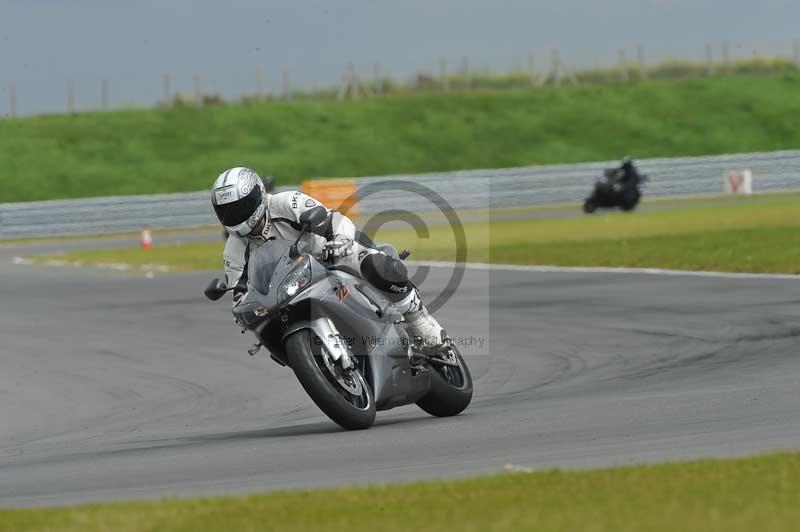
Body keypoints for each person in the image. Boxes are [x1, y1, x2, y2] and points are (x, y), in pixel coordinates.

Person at [211, 166, 445, 348]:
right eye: (227, 211)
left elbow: (332, 219)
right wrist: (243, 311)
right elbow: (239, 293)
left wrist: (340, 240)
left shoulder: (285, 203)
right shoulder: (233, 249)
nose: (235, 215)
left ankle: (418, 320)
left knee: (377, 265)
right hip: (290, 289)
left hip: (330, 256)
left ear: (258, 195)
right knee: (268, 330)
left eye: (240, 207)